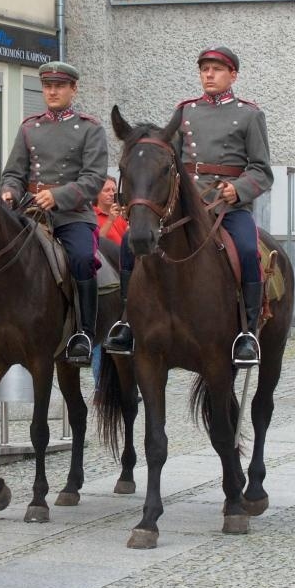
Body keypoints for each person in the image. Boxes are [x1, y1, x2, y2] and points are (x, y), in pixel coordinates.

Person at [105, 46, 272, 367]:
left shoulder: (249, 114)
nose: (209, 75)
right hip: (186, 205)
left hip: (227, 206)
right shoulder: (185, 112)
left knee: (249, 250)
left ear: (232, 75)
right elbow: (171, 163)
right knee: (130, 245)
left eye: (216, 70)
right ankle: (126, 321)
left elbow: (262, 170)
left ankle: (248, 332)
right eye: (204, 69)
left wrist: (237, 190)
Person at [0, 60, 108, 367]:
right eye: (48, 86)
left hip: (72, 215)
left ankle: (85, 334)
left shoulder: (90, 129)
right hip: (30, 212)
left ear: (73, 89)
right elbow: (13, 172)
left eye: (59, 86)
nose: (52, 92)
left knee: (80, 257)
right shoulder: (29, 127)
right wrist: (9, 190)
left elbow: (93, 180)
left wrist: (58, 196)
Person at [93, 176, 128, 246]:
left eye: (114, 190)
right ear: (96, 193)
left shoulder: (119, 215)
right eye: (106, 190)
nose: (112, 194)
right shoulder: (91, 215)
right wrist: (110, 220)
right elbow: (96, 242)